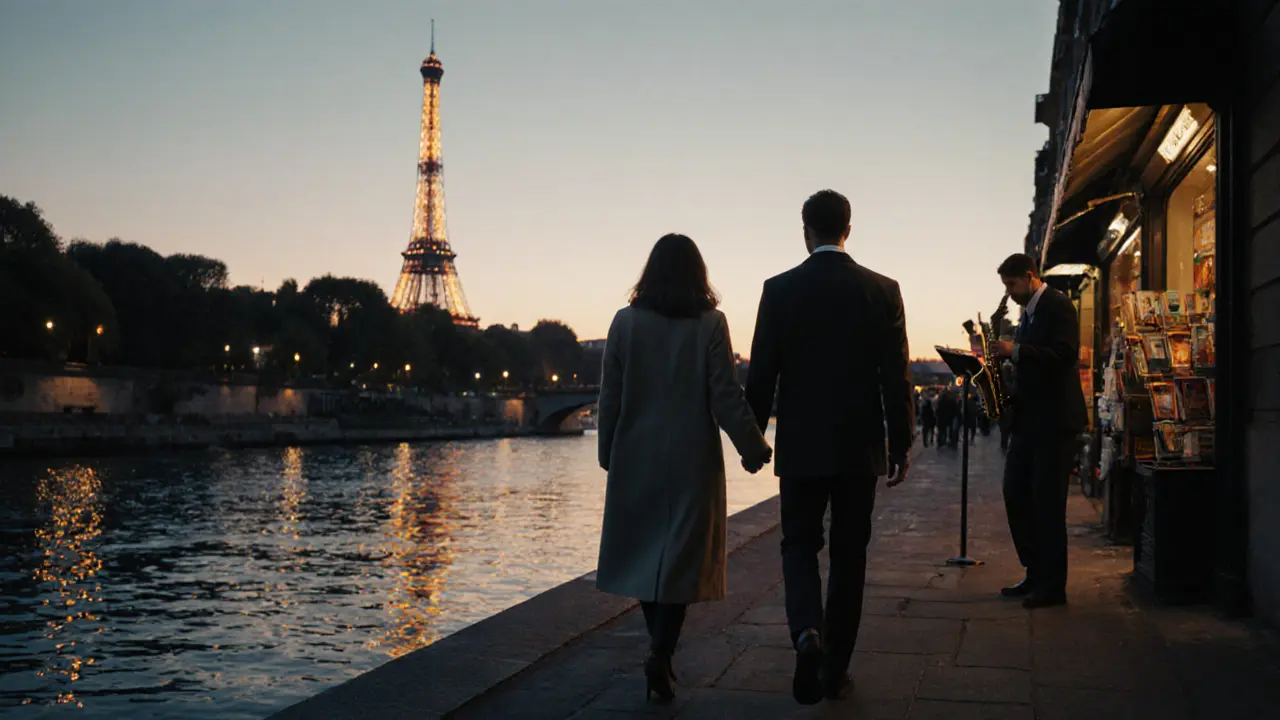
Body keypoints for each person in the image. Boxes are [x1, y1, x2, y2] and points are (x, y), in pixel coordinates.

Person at [744, 190, 913, 705]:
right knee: (848, 556)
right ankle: (835, 669)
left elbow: (762, 375)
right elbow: (895, 377)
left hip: (800, 447)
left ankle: (805, 633)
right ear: (848, 229)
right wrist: (900, 444)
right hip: (859, 449)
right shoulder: (883, 291)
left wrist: (753, 440)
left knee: (797, 545)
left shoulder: (778, 290)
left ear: (805, 231)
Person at [596, 233, 773, 703]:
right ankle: (662, 651)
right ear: (699, 275)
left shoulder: (623, 323)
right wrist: (753, 446)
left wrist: (607, 449)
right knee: (680, 560)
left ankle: (658, 647)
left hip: (636, 455)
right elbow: (725, 394)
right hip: (693, 458)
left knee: (643, 557)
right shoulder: (711, 324)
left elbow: (609, 394)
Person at [989, 253, 1088, 609]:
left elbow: (1063, 355)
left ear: (1029, 276)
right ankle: (1035, 571)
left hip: (1054, 422)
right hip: (1029, 421)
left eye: (1012, 284)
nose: (1009, 292)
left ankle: (1052, 585)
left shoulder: (1058, 305)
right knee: (1016, 494)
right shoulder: (1028, 312)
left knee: (1047, 504)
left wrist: (1014, 351)